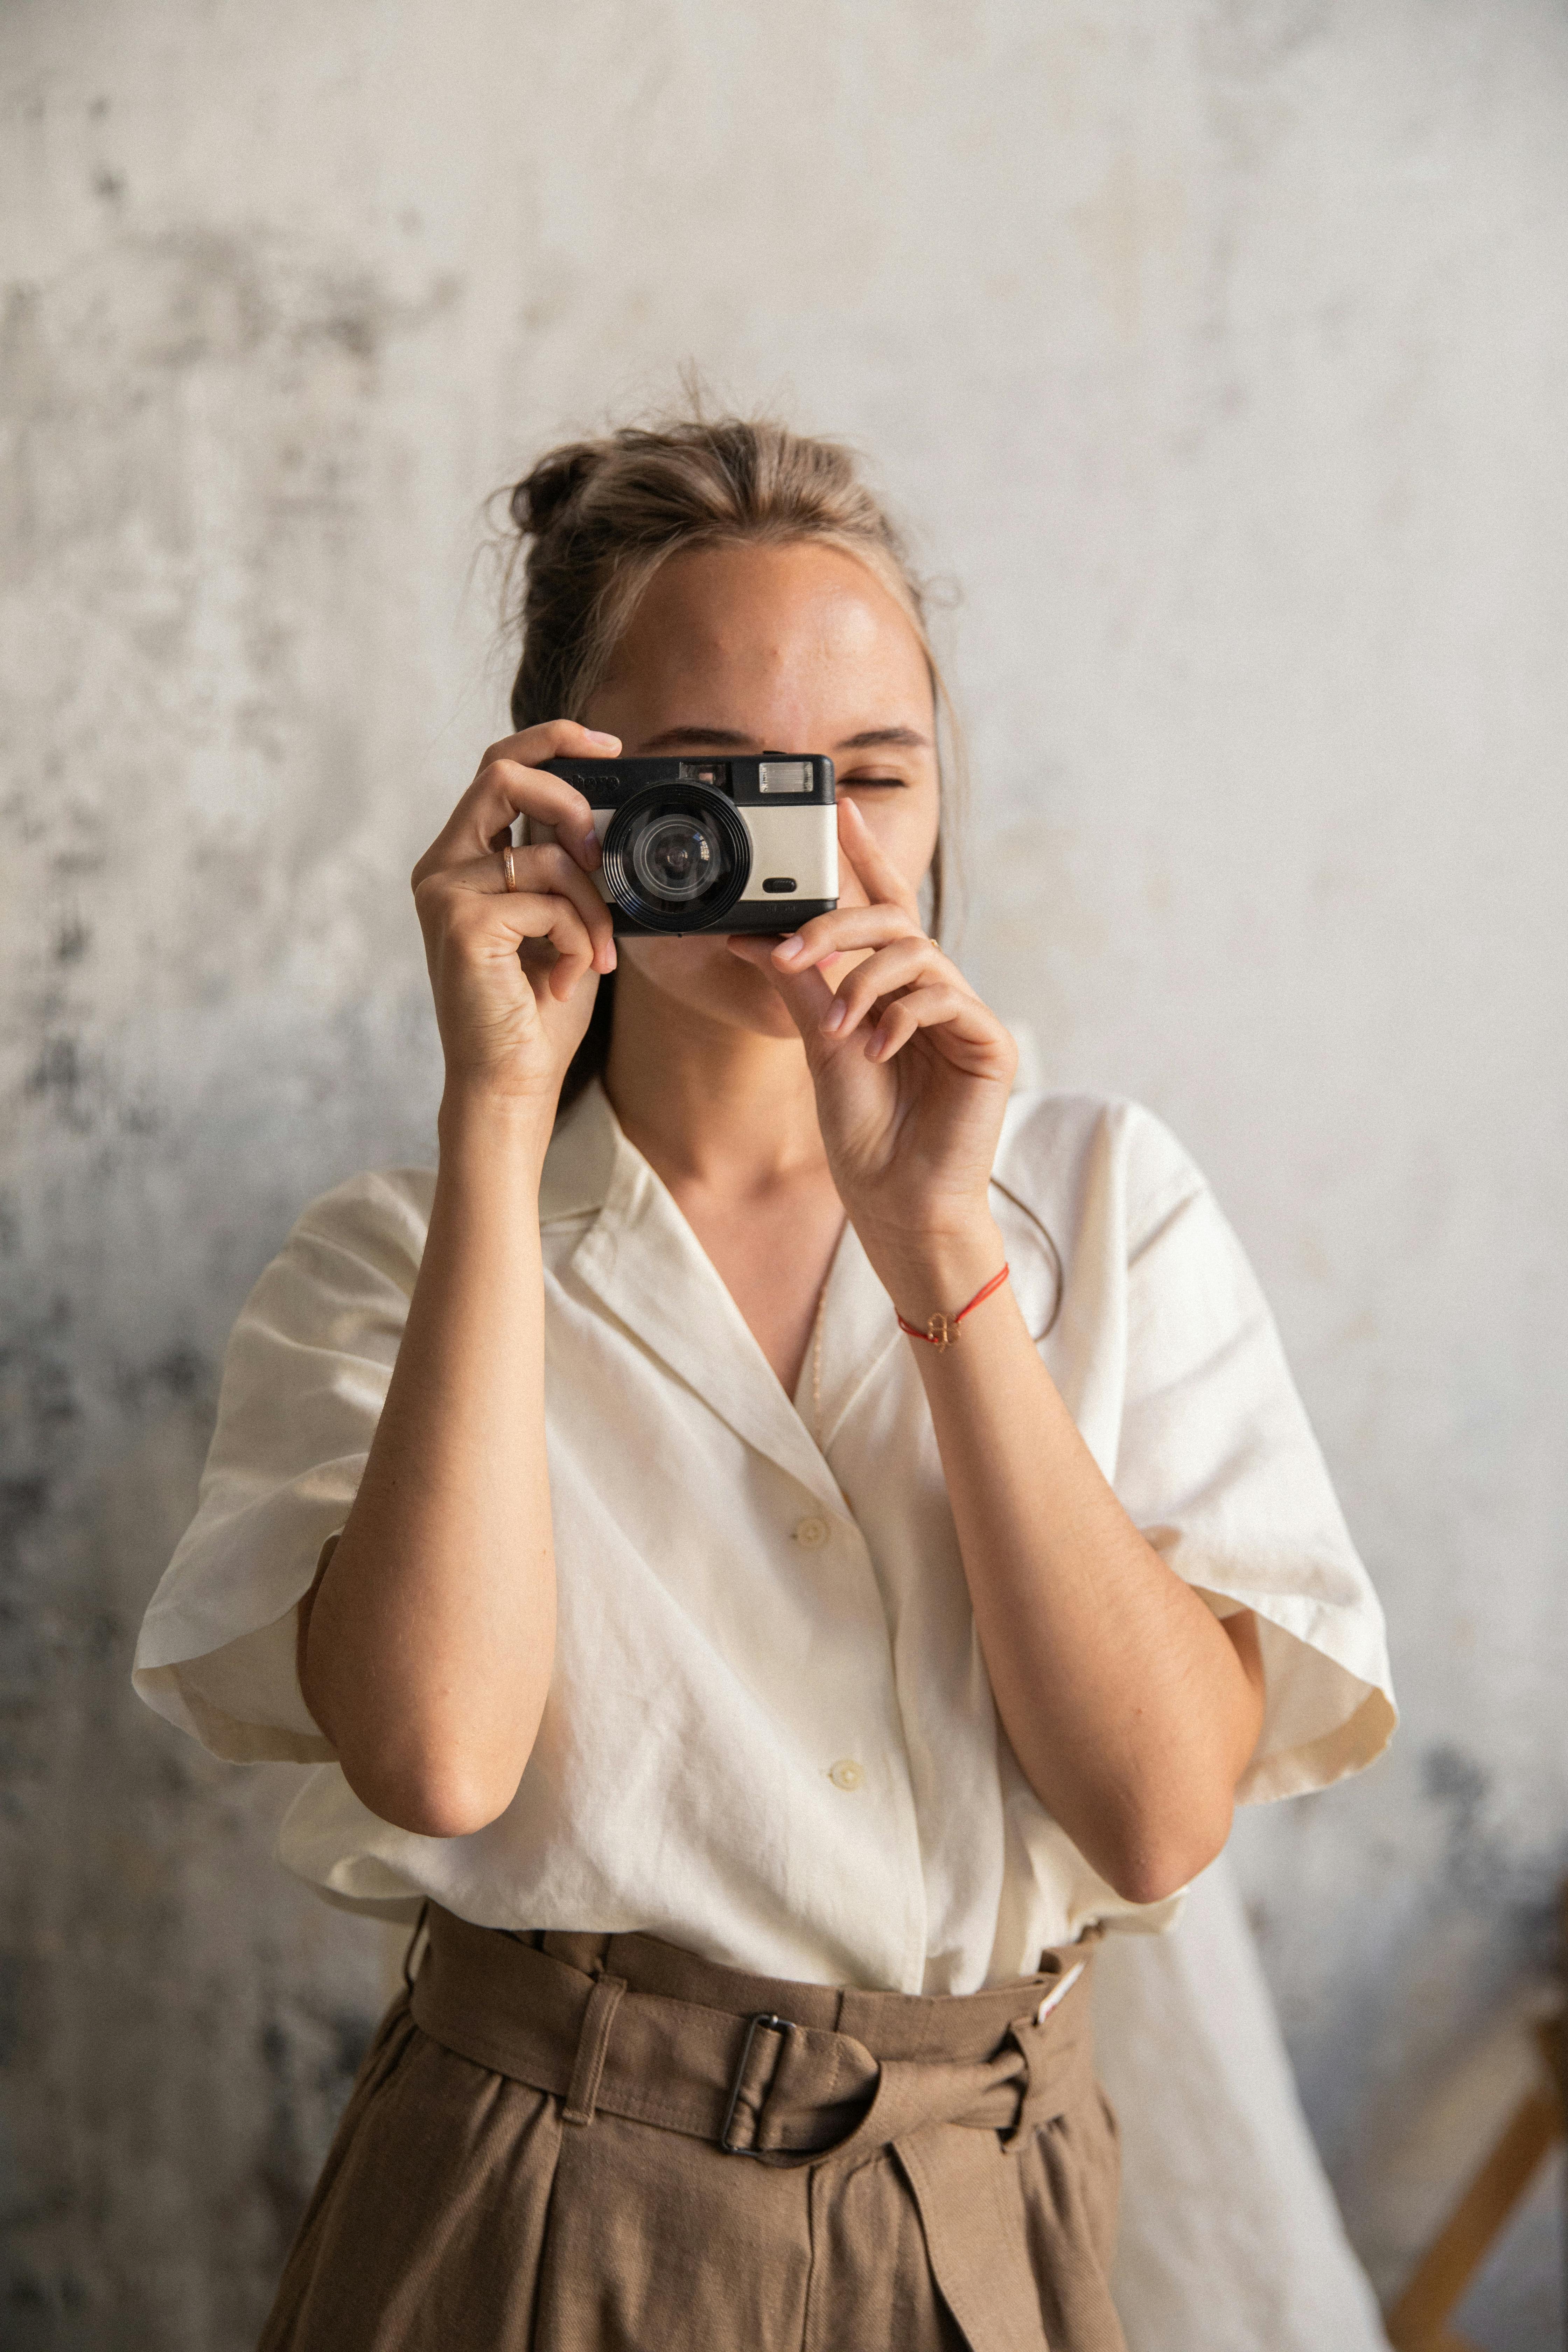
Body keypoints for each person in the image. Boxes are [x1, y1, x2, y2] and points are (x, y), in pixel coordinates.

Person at [133, 410, 1396, 2352]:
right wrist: (494, 1112)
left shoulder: (1106, 1209)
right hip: (533, 2200)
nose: (804, 849)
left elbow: (1155, 1816)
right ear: (555, 795)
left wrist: (945, 1257)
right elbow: (438, 1759)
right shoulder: (393, 1261)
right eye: (710, 786)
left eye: (866, 775)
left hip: (981, 2196)